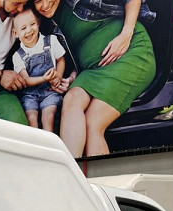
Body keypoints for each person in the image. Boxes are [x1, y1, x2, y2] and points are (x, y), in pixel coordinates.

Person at [34, 0, 156, 157]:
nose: (45, 5)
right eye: (37, 1)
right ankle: (70, 170)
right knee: (72, 99)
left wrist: (126, 34)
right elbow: (76, 50)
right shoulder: (45, 22)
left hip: (130, 52)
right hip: (92, 69)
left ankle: (95, 174)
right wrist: (73, 75)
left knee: (93, 123)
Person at [10, 8, 66, 132]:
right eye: (23, 28)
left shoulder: (51, 41)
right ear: (15, 33)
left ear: (38, 23)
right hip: (30, 95)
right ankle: (35, 142)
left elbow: (61, 60)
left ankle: (49, 141)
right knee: (31, 119)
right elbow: (25, 80)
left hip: (50, 90)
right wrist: (44, 78)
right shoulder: (18, 55)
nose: (29, 30)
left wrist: (58, 76)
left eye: (32, 24)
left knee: (48, 116)